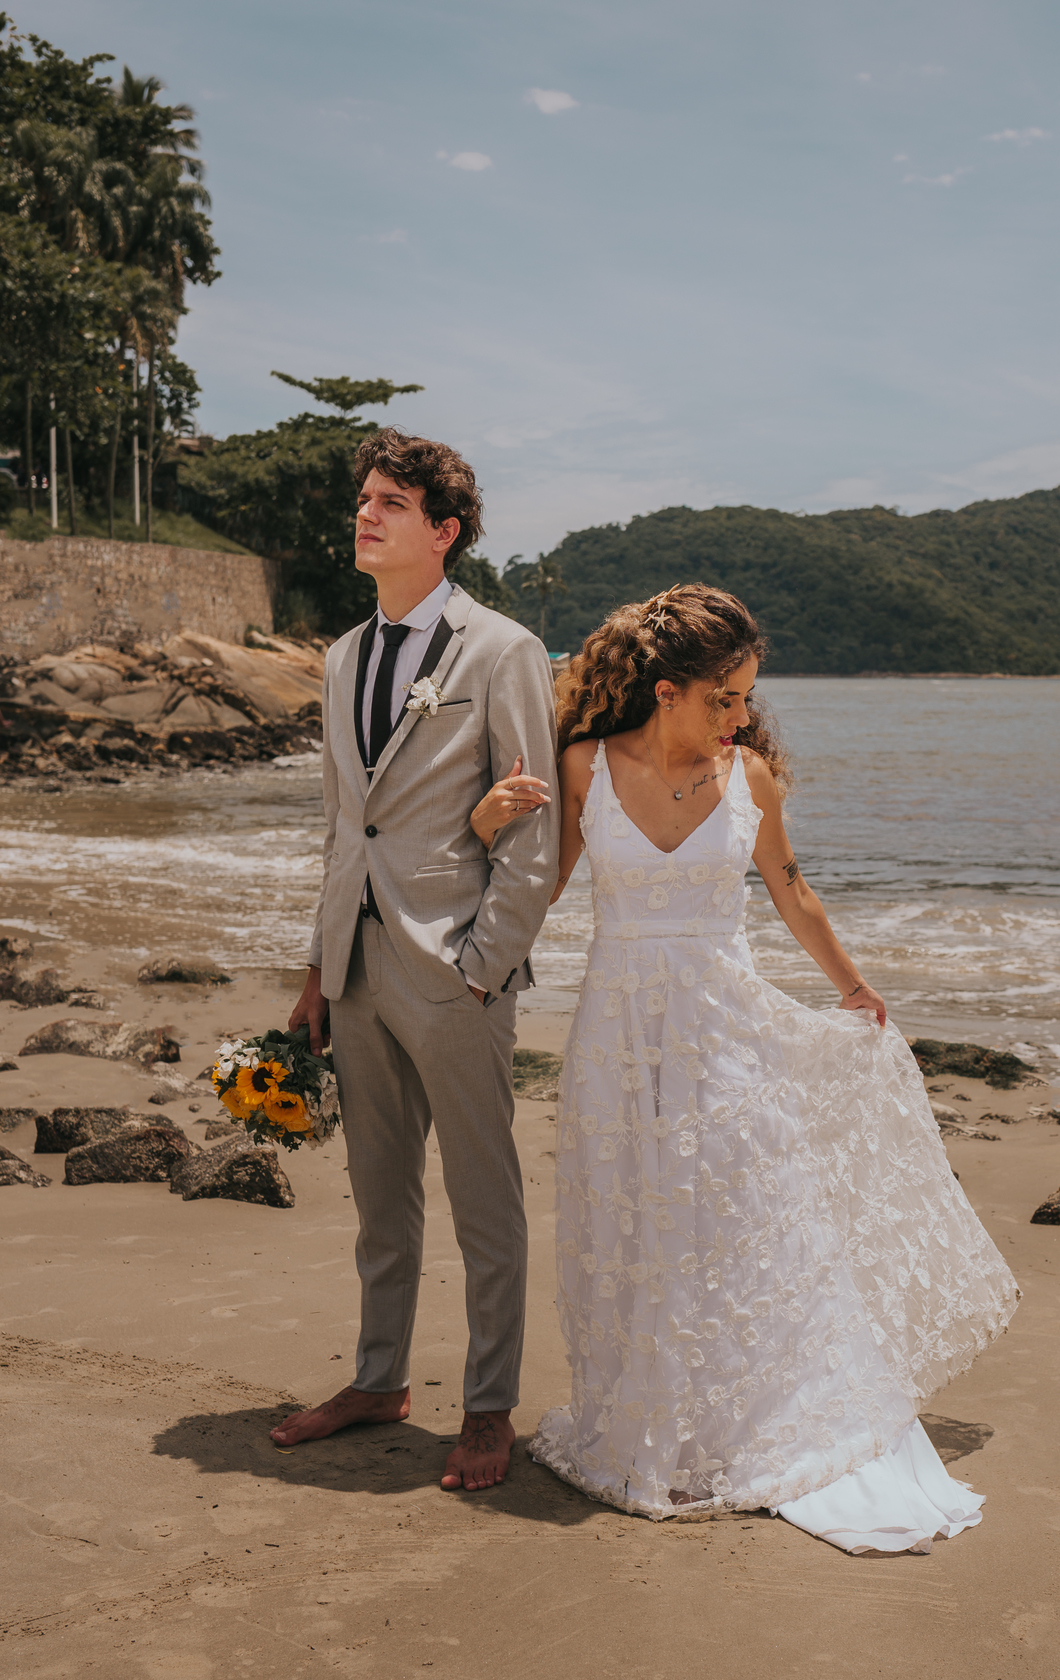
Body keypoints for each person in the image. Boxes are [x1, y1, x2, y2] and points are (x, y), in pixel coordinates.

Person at [469, 584, 1018, 1550]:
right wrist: (481, 843)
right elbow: (539, 889)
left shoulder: (749, 776)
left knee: (742, 1219)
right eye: (724, 698)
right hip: (617, 1038)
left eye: (747, 697)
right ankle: (653, 1424)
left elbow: (792, 889)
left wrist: (856, 989)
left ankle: (754, 1417)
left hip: (727, 1031)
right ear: (667, 691)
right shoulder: (584, 767)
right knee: (631, 1218)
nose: (741, 715)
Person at [272, 429, 561, 1492]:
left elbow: (533, 830)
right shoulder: (342, 656)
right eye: (365, 499)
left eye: (391, 503)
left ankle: (488, 1408)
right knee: (379, 1195)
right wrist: (317, 967)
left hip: (454, 971)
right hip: (355, 964)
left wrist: (484, 965)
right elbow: (343, 826)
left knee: (485, 1202)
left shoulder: (504, 651)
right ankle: (378, 1379)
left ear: (444, 532)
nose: (366, 514)